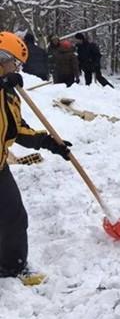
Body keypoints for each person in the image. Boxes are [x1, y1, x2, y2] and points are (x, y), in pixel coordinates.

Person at [0, 32, 72, 283]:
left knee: (14, 216)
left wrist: (50, 142)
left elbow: (18, 128)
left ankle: (12, 266)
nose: (18, 69)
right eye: (15, 63)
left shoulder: (9, 93)